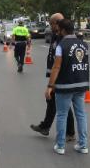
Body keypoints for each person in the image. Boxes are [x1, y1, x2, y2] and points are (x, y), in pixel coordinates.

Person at [45, 19, 89, 155]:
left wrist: (50, 86)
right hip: (81, 84)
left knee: (62, 114)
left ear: (62, 30)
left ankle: (60, 145)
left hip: (65, 85)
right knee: (81, 115)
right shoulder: (83, 44)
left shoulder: (61, 45)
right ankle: (83, 145)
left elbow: (56, 66)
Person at [30, 13, 75, 141]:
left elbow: (62, 60)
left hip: (60, 76)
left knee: (62, 104)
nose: (50, 27)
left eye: (51, 24)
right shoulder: (56, 36)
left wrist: (52, 82)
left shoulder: (65, 37)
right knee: (52, 101)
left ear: (58, 23)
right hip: (54, 75)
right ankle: (46, 126)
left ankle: (69, 133)